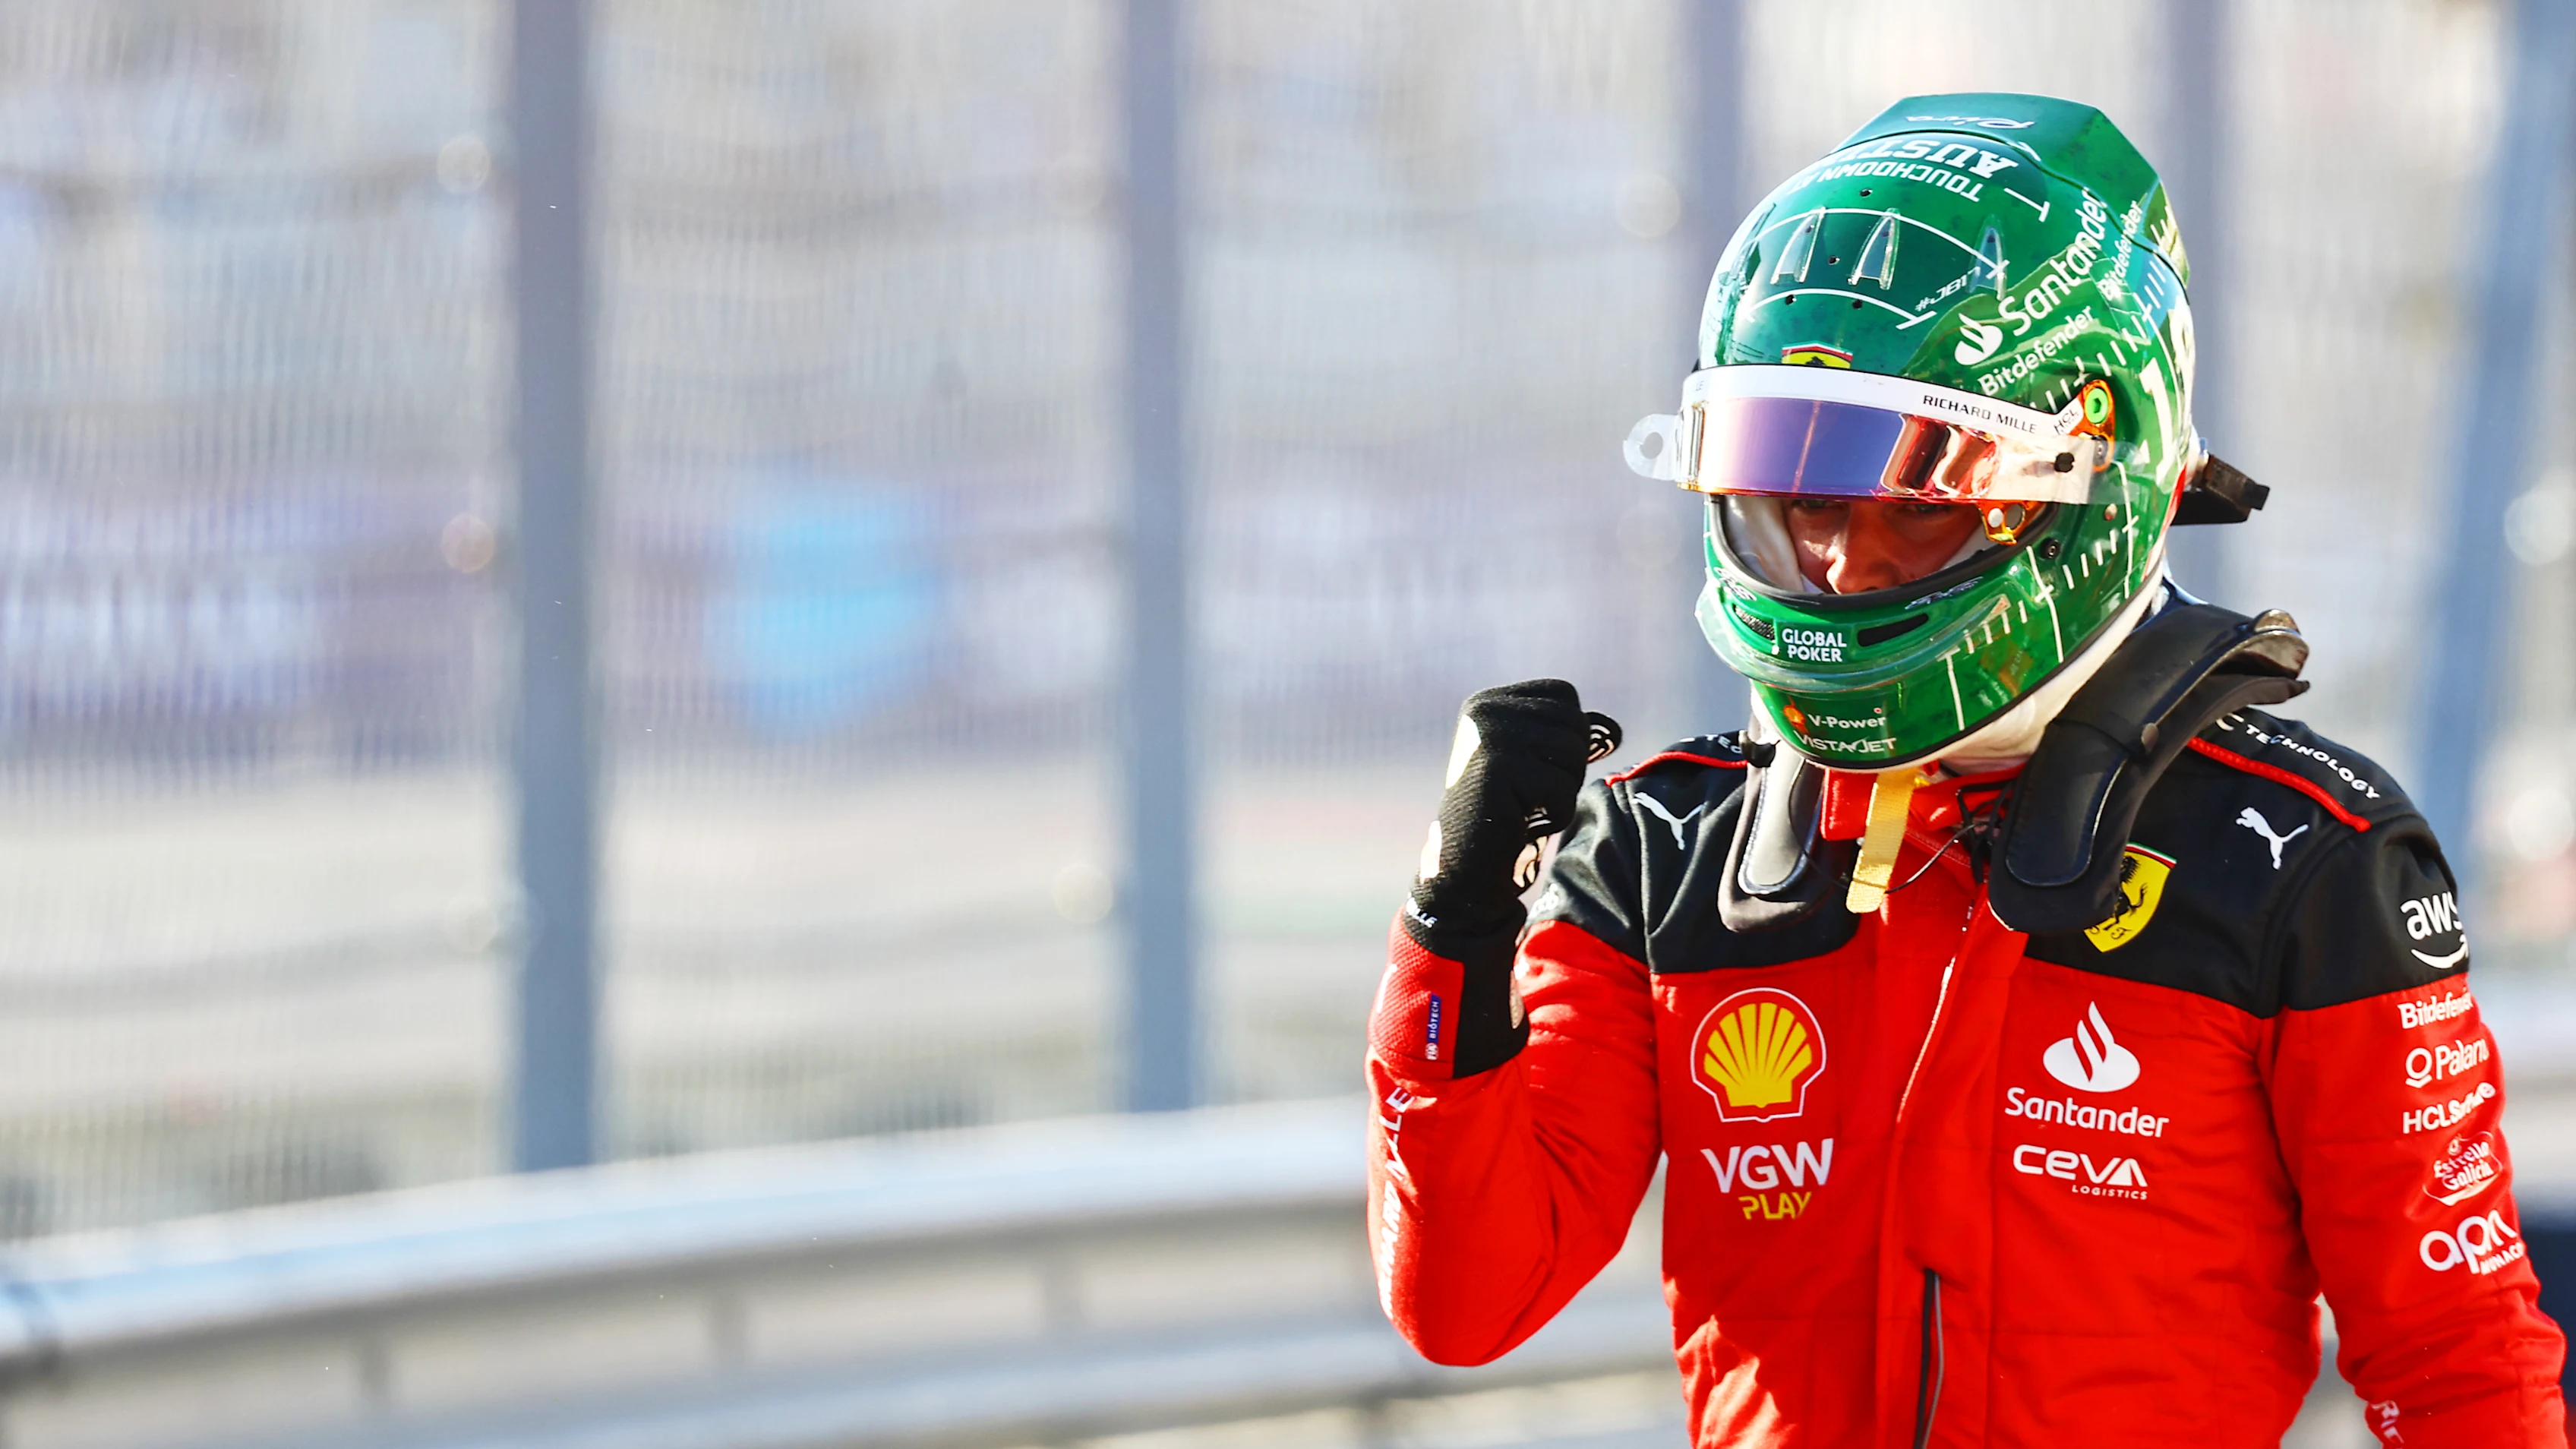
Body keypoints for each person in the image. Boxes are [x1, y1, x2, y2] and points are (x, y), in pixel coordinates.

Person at [1365, 93, 2566, 1447]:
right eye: (1804, 498)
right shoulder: (1660, 845)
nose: (1838, 563)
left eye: (1913, 502)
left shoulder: (2305, 854)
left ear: (2090, 476)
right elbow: (1465, 1304)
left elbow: (2456, 1360)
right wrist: (1452, 928)